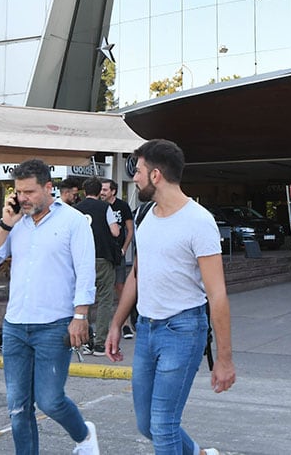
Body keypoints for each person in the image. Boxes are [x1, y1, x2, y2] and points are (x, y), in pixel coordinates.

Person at [105, 139, 234, 455]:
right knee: (147, 424)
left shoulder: (198, 221)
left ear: (156, 175)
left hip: (183, 331)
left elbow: (217, 294)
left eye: (138, 171)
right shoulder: (146, 213)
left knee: (163, 425)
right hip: (147, 330)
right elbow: (138, 273)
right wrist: (116, 324)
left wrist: (225, 358)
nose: (134, 177)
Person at [0, 159, 101, 455]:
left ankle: (84, 435)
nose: (23, 198)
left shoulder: (73, 221)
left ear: (49, 188)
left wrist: (80, 316)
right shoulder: (16, 223)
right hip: (16, 325)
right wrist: (6, 223)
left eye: (30, 191)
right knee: (18, 407)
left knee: (50, 400)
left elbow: (86, 273)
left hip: (55, 324)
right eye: (19, 191)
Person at [73, 176, 120, 356]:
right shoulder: (105, 207)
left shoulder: (76, 210)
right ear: (100, 191)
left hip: (81, 260)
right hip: (102, 257)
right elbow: (115, 231)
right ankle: (100, 343)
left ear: (85, 192)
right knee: (105, 300)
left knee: (83, 299)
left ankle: (84, 340)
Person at [99, 177, 136, 338]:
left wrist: (124, 248)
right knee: (102, 290)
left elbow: (129, 229)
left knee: (120, 287)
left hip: (117, 252)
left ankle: (125, 324)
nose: (102, 192)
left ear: (113, 191)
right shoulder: (99, 206)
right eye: (100, 189)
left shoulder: (122, 206)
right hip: (102, 253)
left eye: (105, 189)